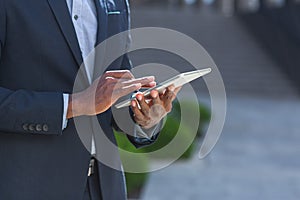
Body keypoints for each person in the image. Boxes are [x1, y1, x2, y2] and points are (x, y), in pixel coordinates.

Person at [0, 0, 180, 199]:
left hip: (104, 188)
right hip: (30, 187)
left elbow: (113, 96)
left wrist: (143, 116)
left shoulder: (116, 3)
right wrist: (73, 104)